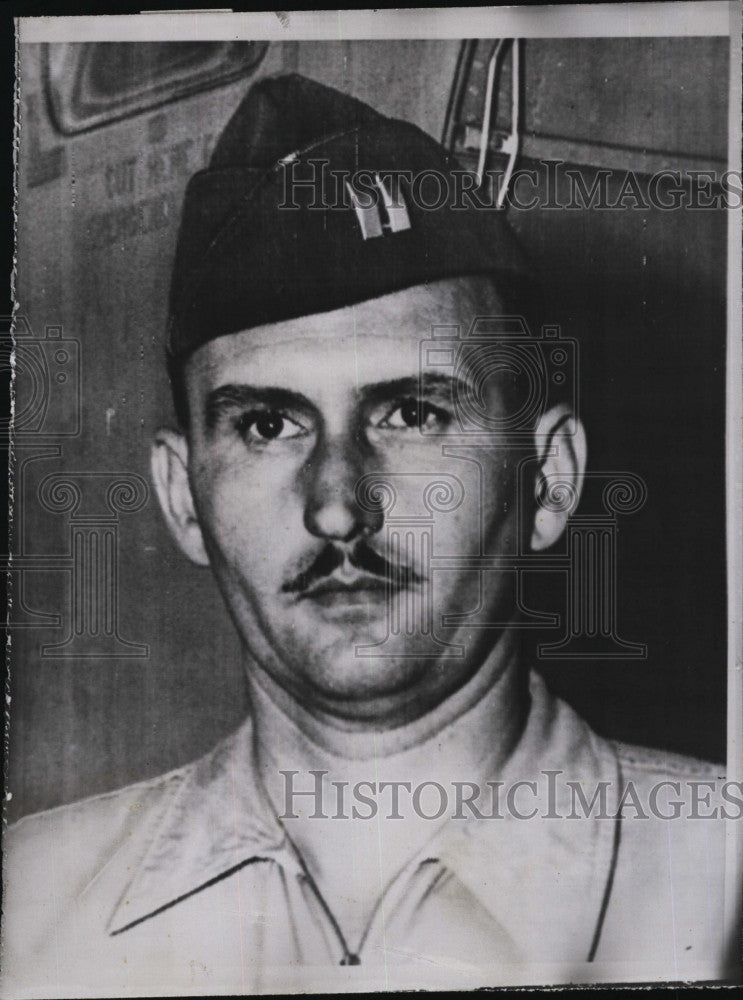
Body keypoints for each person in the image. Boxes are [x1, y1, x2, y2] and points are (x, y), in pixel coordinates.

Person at [2, 73, 731, 996]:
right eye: (267, 426)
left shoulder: (717, 881)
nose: (338, 508)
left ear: (545, 481)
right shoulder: (31, 910)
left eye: (413, 414)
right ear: (184, 497)